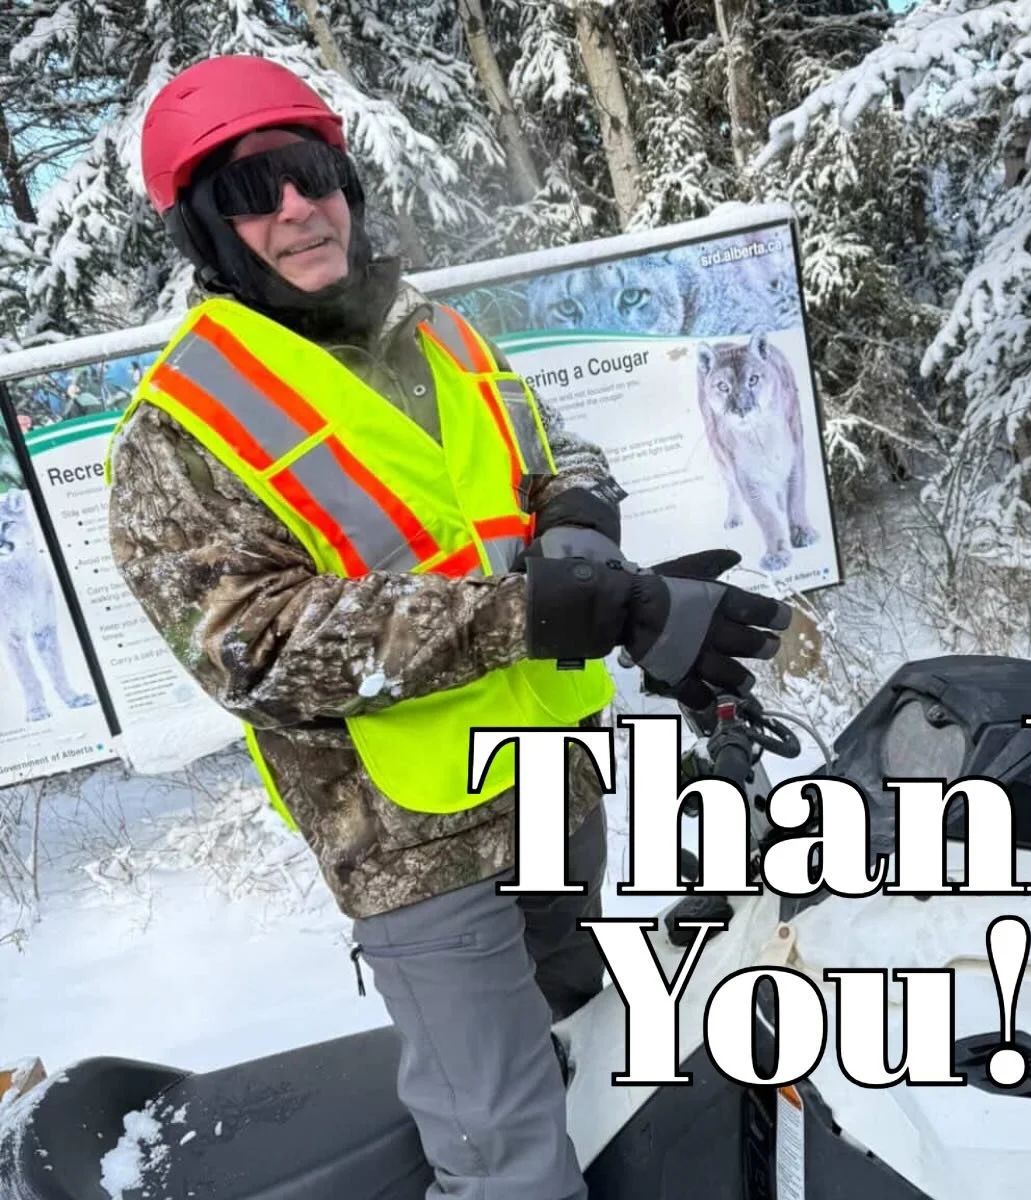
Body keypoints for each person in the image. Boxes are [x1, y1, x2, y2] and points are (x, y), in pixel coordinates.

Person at [106, 54, 792, 1200]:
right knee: (506, 1156)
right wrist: (556, 607)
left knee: (599, 1058)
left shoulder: (439, 337)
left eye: (310, 171)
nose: (294, 207)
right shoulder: (179, 430)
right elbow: (256, 648)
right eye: (250, 192)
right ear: (206, 234)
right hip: (410, 839)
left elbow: (551, 445)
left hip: (548, 784)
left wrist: (577, 520)